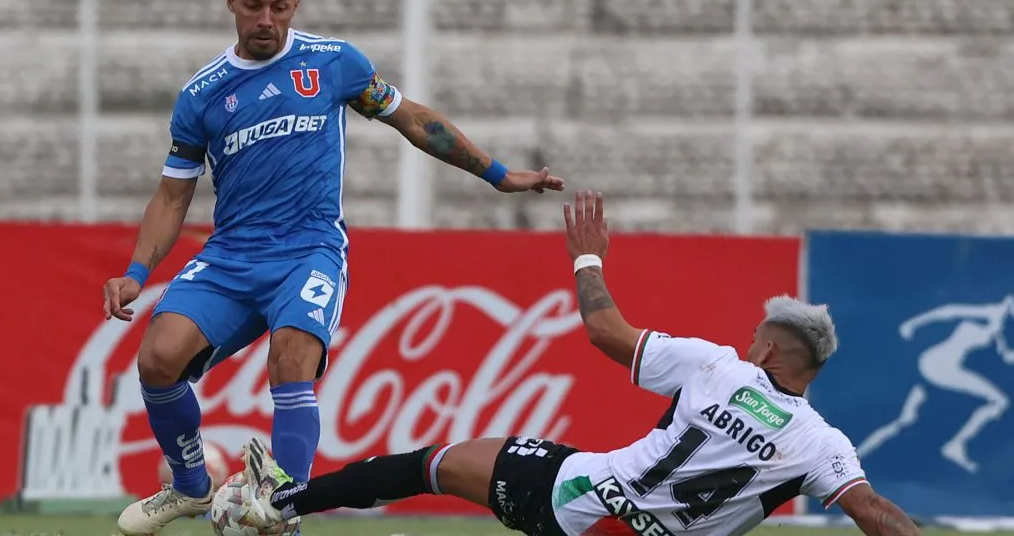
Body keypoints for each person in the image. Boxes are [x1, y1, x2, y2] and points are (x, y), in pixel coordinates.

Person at [102, 0, 564, 534]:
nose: (266, 19)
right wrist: (137, 270)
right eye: (253, 6)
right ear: (230, 2)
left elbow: (415, 121)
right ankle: (191, 487)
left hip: (309, 248)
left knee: (292, 355)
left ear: (295, 5)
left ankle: (282, 514)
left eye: (279, 6)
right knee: (156, 359)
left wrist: (496, 173)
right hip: (232, 256)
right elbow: (172, 198)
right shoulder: (201, 94)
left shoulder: (333, 63)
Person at [235, 190, 922, 536]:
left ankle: (282, 504)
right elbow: (872, 513)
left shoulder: (720, 367)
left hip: (579, 497)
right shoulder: (820, 443)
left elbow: (602, 329)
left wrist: (587, 256)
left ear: (769, 349)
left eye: (755, 337)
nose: (748, 344)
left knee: (431, 465)